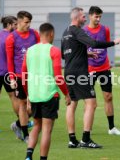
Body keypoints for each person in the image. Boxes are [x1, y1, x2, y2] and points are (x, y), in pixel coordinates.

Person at [61, 7, 120, 149]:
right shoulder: (78, 31)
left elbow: (64, 55)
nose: (84, 18)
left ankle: (72, 140)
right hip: (80, 74)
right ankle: (86, 139)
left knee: (72, 104)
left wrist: (86, 55)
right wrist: (114, 42)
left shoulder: (65, 32)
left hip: (69, 72)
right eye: (83, 16)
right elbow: (93, 43)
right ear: (77, 18)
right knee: (91, 104)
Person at [23, 23, 71, 160]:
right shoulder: (54, 50)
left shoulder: (30, 50)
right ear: (51, 34)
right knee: (46, 130)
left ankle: (28, 156)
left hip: (34, 95)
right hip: (49, 95)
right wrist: (66, 93)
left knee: (36, 126)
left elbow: (24, 75)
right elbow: (58, 76)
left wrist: (28, 96)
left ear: (39, 34)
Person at [83, 6, 120, 135]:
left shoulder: (105, 29)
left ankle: (111, 128)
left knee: (108, 96)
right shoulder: (83, 31)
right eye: (96, 16)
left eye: (100, 16)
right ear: (90, 16)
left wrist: (108, 61)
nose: (98, 19)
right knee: (90, 101)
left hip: (104, 68)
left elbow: (106, 45)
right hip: (89, 69)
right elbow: (81, 50)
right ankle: (88, 128)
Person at [6, 10, 40, 142]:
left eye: (30, 22)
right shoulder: (11, 38)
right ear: (19, 22)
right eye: (26, 22)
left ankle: (18, 124)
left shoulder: (35, 34)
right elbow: (9, 60)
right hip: (20, 76)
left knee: (36, 104)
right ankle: (26, 134)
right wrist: (12, 78)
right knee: (23, 103)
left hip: (35, 75)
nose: (29, 25)